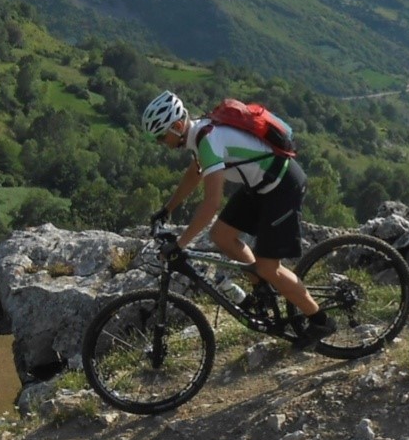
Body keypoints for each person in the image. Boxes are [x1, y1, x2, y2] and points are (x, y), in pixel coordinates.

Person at [141, 90, 334, 349]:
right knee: (221, 236)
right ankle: (263, 292)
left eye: (160, 135)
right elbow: (194, 173)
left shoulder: (208, 139)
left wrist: (180, 245)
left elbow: (211, 204)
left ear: (176, 126)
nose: (159, 142)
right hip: (258, 186)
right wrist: (168, 209)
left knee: (268, 266)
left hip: (283, 185)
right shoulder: (199, 136)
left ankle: (320, 320)